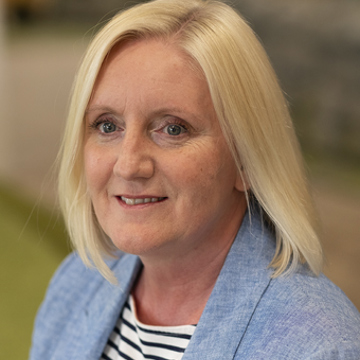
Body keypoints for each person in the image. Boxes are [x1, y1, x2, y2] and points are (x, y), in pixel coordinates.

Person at [30, 0, 360, 359]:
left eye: (173, 129)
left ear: (247, 159)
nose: (128, 166)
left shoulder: (317, 345)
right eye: (107, 125)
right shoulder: (77, 283)